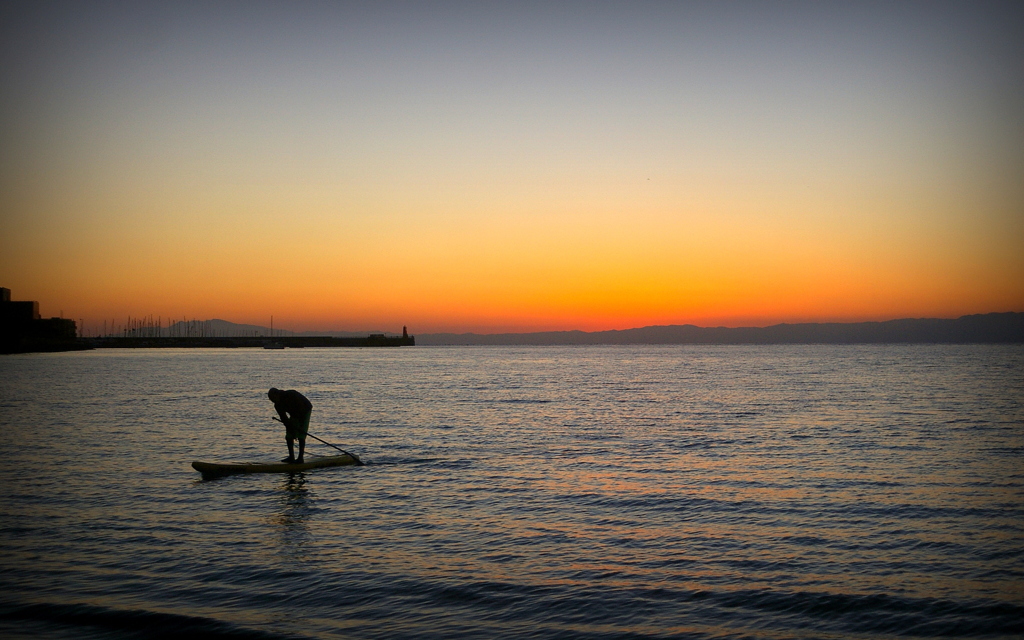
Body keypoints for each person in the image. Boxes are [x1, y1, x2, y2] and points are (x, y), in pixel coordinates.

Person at [268, 387, 312, 463]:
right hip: (294, 413)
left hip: (305, 410)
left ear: (277, 394)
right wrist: (290, 429)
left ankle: (300, 458)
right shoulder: (277, 405)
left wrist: (299, 426)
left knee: (301, 434)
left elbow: (301, 410)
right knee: (289, 436)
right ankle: (291, 457)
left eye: (273, 398)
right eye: (271, 400)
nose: (272, 401)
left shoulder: (291, 395)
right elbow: (284, 419)